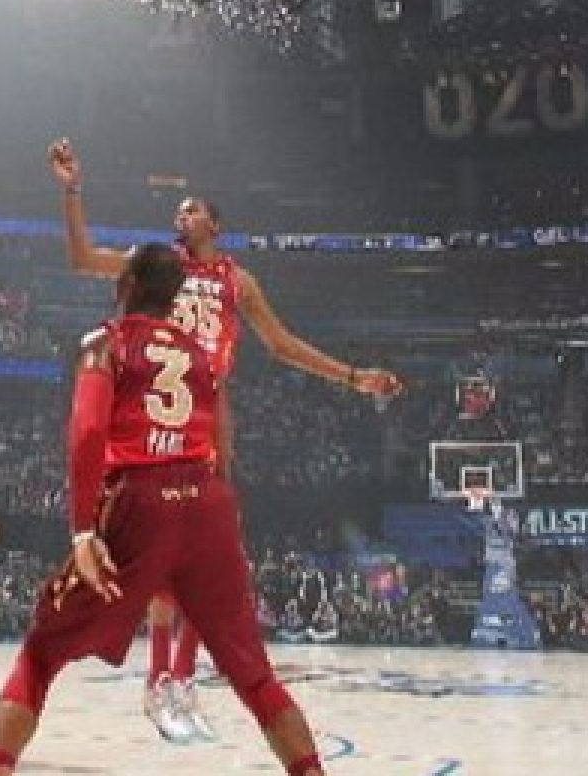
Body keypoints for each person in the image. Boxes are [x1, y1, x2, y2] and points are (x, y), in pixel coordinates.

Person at [47, 139, 400, 740]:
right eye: (178, 210)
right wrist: (72, 190)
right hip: (153, 407)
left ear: (216, 224)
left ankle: (178, 680)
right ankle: (160, 677)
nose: (180, 216)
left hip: (207, 408)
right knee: (164, 552)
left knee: (204, 555)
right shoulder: (157, 264)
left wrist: (350, 376)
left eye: (191, 209)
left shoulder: (239, 281)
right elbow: (83, 258)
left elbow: (282, 345)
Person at [0, 243, 326, 776]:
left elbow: (88, 433)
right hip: (208, 501)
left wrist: (83, 532)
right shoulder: (202, 355)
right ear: (175, 297)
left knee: (42, 652)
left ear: (126, 286)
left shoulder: (105, 343)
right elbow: (221, 443)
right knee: (255, 676)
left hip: (140, 499)